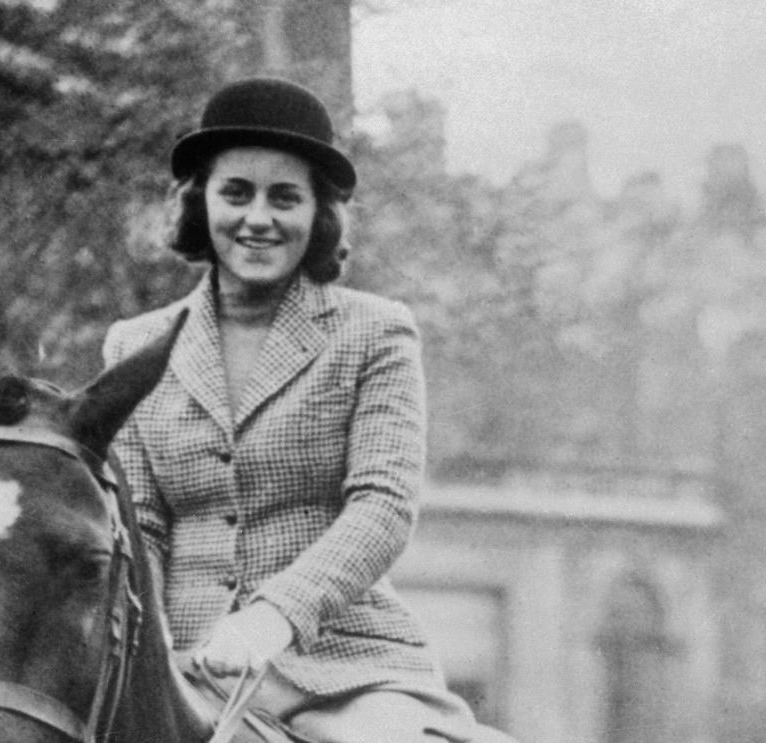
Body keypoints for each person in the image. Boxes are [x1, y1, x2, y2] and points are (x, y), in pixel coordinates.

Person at [103, 77, 486, 743]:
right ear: (201, 204)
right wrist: (156, 655)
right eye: (235, 193)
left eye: (285, 197)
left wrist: (271, 617)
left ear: (318, 214)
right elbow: (138, 527)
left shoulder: (375, 332)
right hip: (187, 669)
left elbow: (382, 506)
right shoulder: (133, 345)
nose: (258, 218)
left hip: (345, 672)